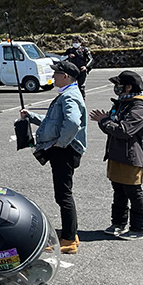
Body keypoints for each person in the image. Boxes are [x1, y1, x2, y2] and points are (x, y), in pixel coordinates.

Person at [20, 60, 87, 254]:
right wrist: (31, 116)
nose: (53, 76)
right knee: (62, 194)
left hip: (65, 151)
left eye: (56, 73)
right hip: (63, 149)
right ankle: (69, 232)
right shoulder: (67, 94)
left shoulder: (69, 96)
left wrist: (62, 142)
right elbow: (54, 123)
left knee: (64, 195)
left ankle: (69, 239)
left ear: (65, 76)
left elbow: (73, 123)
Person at [90, 70, 143, 241]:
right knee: (118, 190)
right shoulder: (123, 103)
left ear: (129, 87)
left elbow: (123, 131)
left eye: (119, 85)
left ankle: (138, 228)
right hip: (116, 154)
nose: (116, 88)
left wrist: (104, 120)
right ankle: (118, 223)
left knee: (133, 191)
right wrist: (105, 121)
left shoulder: (138, 107)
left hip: (131, 157)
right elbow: (111, 128)